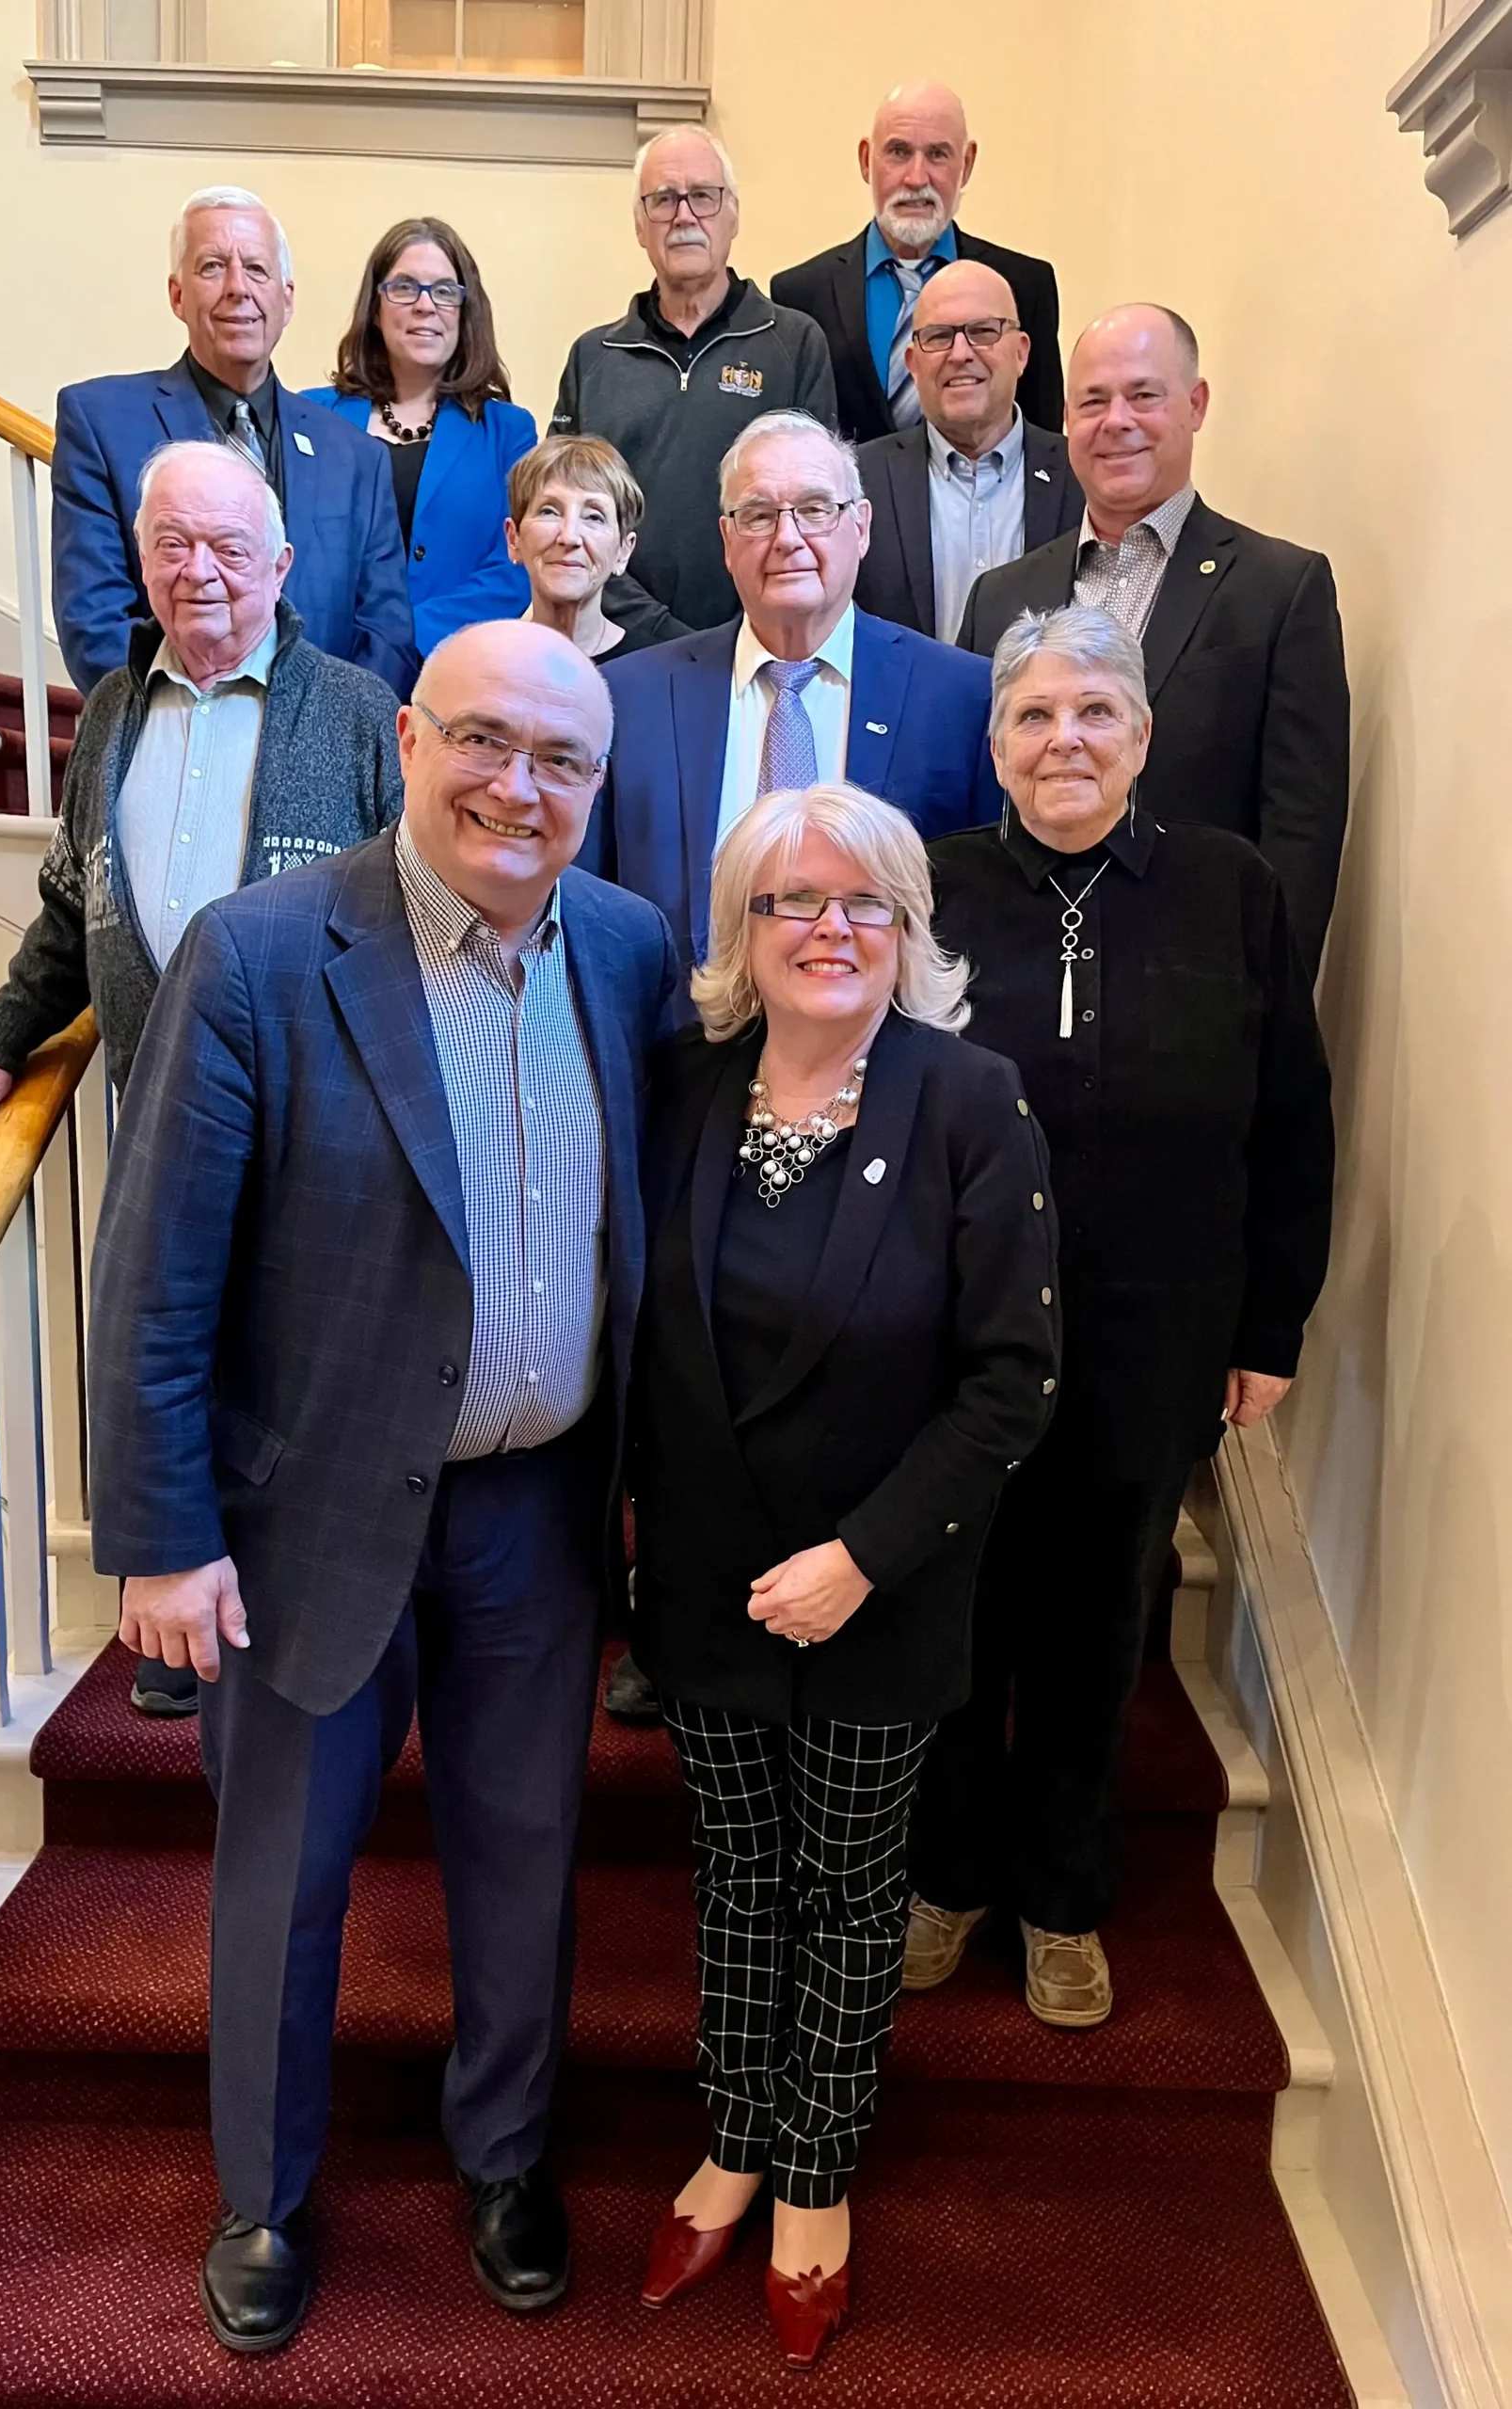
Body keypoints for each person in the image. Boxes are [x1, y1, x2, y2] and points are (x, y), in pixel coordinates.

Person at [85, 618, 673, 2353]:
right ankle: (263, 2197)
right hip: (306, 1513)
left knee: (523, 1850)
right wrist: (164, 1538)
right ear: (407, 740)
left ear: (596, 784)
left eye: (560, 760)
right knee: (284, 1872)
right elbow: (157, 1275)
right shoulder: (262, 950)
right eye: (484, 740)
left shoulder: (628, 949)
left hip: (536, 1509)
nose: (518, 786)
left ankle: (505, 2156)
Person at [629, 781, 1059, 2369]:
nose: (828, 928)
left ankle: (815, 2171)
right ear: (742, 932)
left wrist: (859, 1560)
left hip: (881, 1587)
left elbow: (1012, 1381)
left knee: (847, 1880)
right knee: (738, 1874)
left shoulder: (970, 1099)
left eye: (862, 900)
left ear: (906, 927)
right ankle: (735, 2137)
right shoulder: (681, 1087)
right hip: (704, 1582)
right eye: (790, 901)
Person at [904, 604, 1333, 2030]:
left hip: (1155, 1337)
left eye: (1094, 712)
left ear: (1142, 737)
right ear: (995, 746)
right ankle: (950, 1873)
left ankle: (1063, 1895)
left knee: (1098, 1629)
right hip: (959, 1343)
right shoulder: (935, 887)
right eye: (1033, 715)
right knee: (959, 1618)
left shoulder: (1230, 888)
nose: (1064, 740)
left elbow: (1293, 1117)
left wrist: (1270, 1327)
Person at [0, 439, 406, 1718]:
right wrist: (0, 1043)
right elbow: (68, 906)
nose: (200, 570)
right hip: (158, 1113)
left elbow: (412, 920)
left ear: (282, 564)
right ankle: (178, 1619)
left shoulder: (360, 712)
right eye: (172, 545)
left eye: (227, 546)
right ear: (140, 561)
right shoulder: (106, 713)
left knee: (303, 1373)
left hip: (322, 1126)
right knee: (168, 1355)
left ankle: (316, 1613)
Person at [955, 305, 1349, 977]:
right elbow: (978, 800)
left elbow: (1302, 830)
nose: (1117, 421)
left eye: (1143, 396)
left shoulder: (1279, 591)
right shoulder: (999, 597)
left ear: (1195, 405)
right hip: (1023, 978)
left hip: (1199, 980)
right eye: (1093, 401)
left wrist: (1269, 995)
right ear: (1068, 420)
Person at [584, 410, 1001, 998]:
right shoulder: (630, 699)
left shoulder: (960, 698)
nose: (787, 538)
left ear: (861, 527)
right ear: (727, 542)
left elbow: (980, 916)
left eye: (814, 508)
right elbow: (588, 910)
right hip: (680, 1044)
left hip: (885, 1040)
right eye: (758, 515)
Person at [52, 184, 415, 700]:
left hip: (323, 743)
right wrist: (205, 720)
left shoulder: (356, 456)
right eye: (212, 267)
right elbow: (95, 624)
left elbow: (387, 634)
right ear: (177, 295)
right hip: (167, 732)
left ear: (287, 299)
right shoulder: (100, 423)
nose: (238, 288)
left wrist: (323, 729)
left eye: (258, 269)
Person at [550, 126, 836, 633]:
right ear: (640, 226)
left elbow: (815, 511)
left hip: (759, 642)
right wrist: (656, 630)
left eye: (703, 196)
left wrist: (743, 635)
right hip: (619, 644)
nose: (684, 216)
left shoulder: (795, 344)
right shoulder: (593, 357)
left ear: (733, 216)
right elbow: (568, 520)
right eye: (663, 200)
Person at [772, 80, 1062, 446]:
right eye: (898, 152)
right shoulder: (800, 295)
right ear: (865, 160)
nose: (916, 178)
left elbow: (1044, 445)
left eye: (938, 154)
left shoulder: (1024, 287)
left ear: (966, 164)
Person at [299, 217, 536, 655]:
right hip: (325, 663)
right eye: (405, 287)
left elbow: (514, 569)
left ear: (466, 312)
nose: (425, 306)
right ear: (375, 308)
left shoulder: (509, 432)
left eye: (445, 291)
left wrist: (400, 641)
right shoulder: (310, 417)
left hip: (452, 668)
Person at [855, 258, 1083, 641]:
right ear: (912, 363)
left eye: (982, 331)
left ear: (1021, 353)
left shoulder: (1081, 476)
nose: (960, 353)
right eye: (938, 336)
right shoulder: (859, 482)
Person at [505, 433, 670, 665]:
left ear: (624, 550)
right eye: (549, 511)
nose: (569, 537)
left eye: (594, 517)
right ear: (514, 539)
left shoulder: (656, 670)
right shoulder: (480, 665)